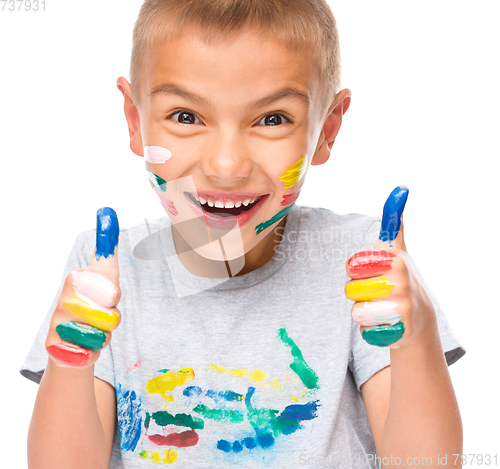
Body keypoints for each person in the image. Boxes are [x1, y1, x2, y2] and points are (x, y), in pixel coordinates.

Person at [21, 1, 465, 468]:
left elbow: (427, 464)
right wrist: (73, 363)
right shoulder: (103, 272)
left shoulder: (359, 262)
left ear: (326, 130)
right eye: (186, 117)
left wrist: (416, 339)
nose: (226, 165)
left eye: (272, 119)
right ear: (134, 119)